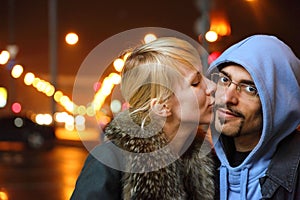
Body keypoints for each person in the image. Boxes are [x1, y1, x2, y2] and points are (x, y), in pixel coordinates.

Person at [71, 37, 217, 199]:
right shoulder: (108, 162)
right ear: (162, 106)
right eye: (195, 83)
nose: (212, 86)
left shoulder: (208, 161)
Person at [206, 34, 300, 199]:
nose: (227, 98)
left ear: (279, 105)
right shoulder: (201, 170)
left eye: (250, 89)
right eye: (224, 79)